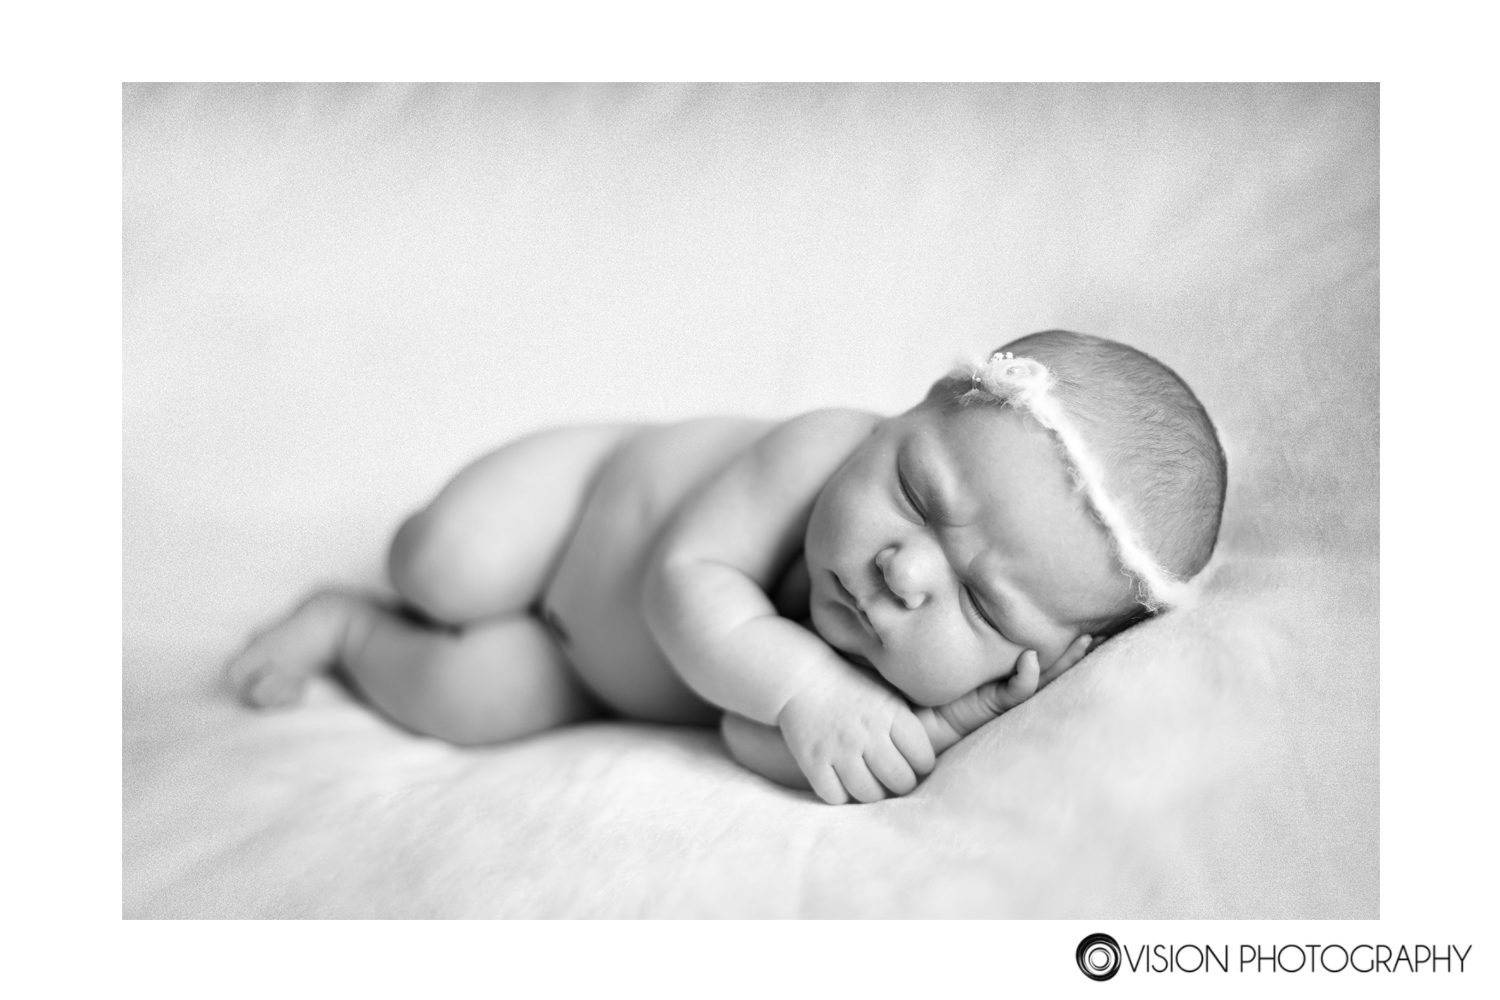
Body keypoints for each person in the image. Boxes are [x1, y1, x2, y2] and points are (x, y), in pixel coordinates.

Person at [227, 330, 1226, 804]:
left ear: (1044, 657)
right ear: (909, 409)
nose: (904, 571)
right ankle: (396, 580)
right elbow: (686, 581)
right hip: (582, 506)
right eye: (917, 493)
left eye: (981, 602)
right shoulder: (821, 447)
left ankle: (345, 626)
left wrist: (924, 731)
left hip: (585, 672)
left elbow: (752, 735)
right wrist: (813, 689)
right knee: (450, 563)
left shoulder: (902, 674)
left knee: (466, 702)